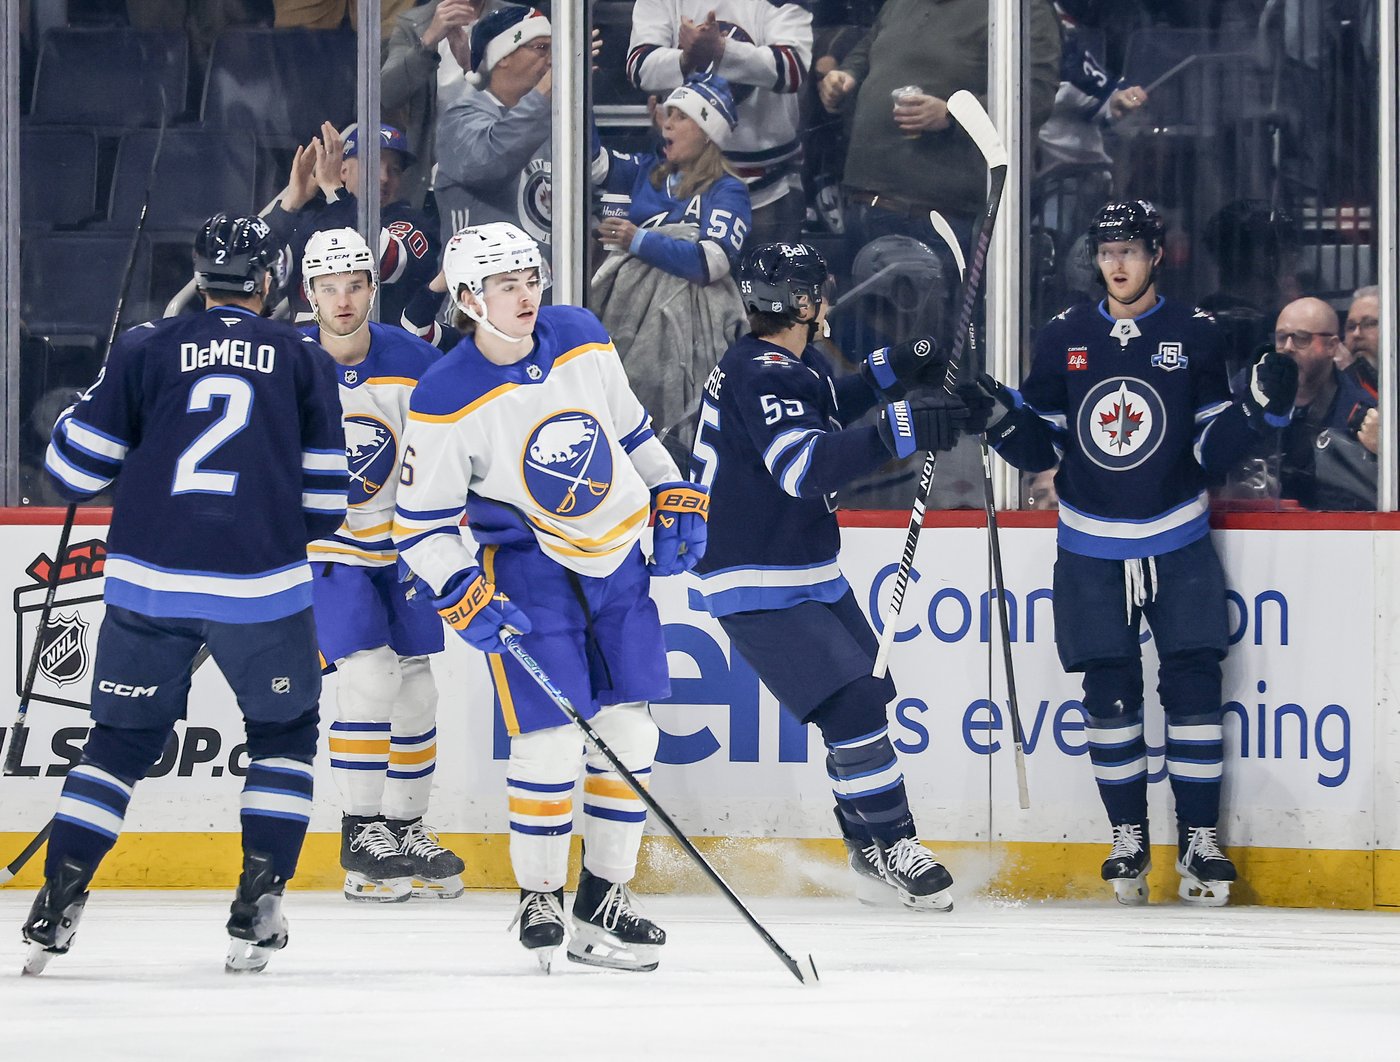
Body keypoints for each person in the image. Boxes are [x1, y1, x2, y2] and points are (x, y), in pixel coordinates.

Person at [23, 214, 348, 974]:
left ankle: (58, 901)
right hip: (261, 588)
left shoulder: (144, 346)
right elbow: (328, 500)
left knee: (119, 742)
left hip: (149, 582)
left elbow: (69, 475)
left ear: (203, 279)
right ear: (271, 283)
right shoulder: (302, 358)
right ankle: (258, 906)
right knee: (282, 736)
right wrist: (259, 532)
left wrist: (87, 405)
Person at [392, 221, 706, 973]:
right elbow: (420, 525)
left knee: (632, 736)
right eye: (506, 284)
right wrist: (459, 586)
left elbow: (630, 432)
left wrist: (668, 490)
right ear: (469, 298)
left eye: (531, 278)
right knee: (555, 741)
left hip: (616, 558)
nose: (526, 294)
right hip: (528, 571)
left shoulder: (581, 335)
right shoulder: (443, 393)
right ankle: (539, 894)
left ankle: (604, 901)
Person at [977, 200, 1299, 908]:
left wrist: (1259, 415)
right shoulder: (1064, 336)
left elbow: (1209, 451)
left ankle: (1198, 840)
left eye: (1129, 250)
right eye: (1106, 251)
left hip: (1177, 534)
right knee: (1109, 691)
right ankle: (1127, 836)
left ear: (1157, 254)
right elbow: (1039, 445)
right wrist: (993, 414)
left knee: (1192, 687)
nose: (1116, 264)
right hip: (1090, 542)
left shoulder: (1197, 334)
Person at [689, 241, 989, 911]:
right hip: (755, 574)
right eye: (816, 289)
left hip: (800, 566)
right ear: (802, 303)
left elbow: (825, 397)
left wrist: (898, 367)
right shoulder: (766, 373)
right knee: (852, 704)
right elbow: (805, 467)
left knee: (866, 698)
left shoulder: (776, 362)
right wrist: (903, 426)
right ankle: (895, 844)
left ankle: (868, 851)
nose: (824, 297)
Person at [298, 228, 464, 902]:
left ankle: (405, 829)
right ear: (309, 294)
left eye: (354, 285)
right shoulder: (288, 360)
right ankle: (360, 835)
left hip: (403, 551)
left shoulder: (417, 360)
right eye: (328, 288)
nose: (342, 300)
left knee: (418, 688)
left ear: (372, 287)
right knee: (369, 676)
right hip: (326, 549)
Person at [817, 0, 1059, 254]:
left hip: (942, 218)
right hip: (865, 203)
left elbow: (1034, 95)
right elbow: (870, 46)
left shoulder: (1018, 8)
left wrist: (951, 113)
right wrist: (847, 74)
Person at [592, 73, 751, 444]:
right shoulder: (646, 172)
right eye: (668, 114)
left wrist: (640, 240)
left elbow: (710, 263)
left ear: (707, 131)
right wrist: (576, 81)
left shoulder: (728, 190)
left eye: (680, 117)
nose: (667, 122)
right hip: (630, 316)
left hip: (694, 328)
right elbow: (594, 163)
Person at [625, 0, 812, 243]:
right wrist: (686, 59)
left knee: (769, 280)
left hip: (769, 187)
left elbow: (793, 67)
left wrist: (722, 49)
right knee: (688, 276)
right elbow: (639, 67)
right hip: (686, 188)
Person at [268, 122, 440, 329]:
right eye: (374, 165)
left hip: (370, 355)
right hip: (307, 354)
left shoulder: (412, 224)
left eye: (394, 170)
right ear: (342, 170)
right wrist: (289, 206)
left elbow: (383, 259)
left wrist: (336, 193)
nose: (385, 177)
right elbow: (258, 272)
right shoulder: (309, 221)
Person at [1260, 297, 1376, 510]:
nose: (1287, 347)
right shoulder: (1251, 395)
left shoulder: (1363, 413)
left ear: (1332, 346)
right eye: (1281, 338)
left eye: (1301, 338)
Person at [381, 0, 489, 210]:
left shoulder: (515, 18)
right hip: (433, 185)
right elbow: (387, 95)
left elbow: (528, 99)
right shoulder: (414, 24)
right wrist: (427, 42)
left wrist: (471, 66)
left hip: (497, 181)